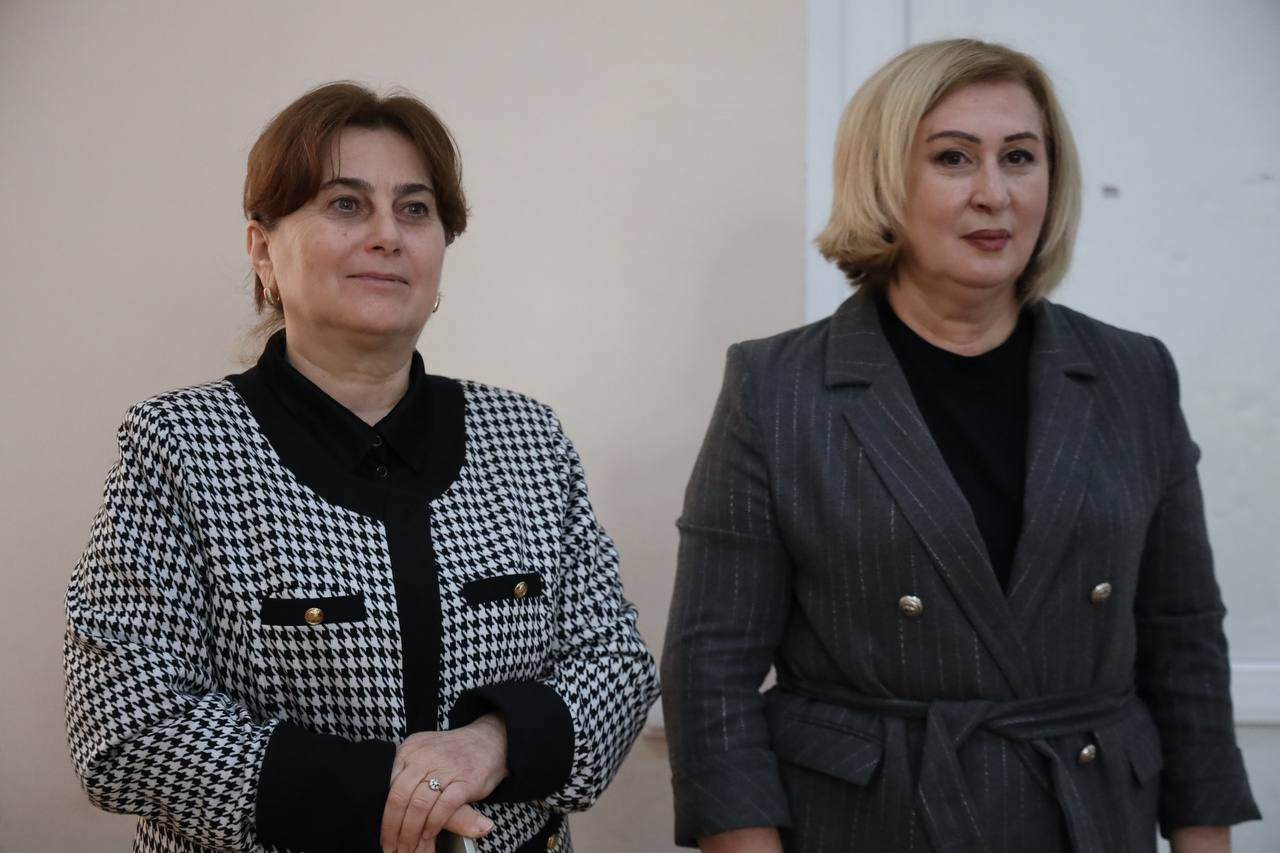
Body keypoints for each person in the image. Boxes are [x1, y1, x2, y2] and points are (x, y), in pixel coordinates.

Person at [662, 39, 1259, 853]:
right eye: (953, 158)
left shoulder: (1134, 374)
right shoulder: (776, 388)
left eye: (1020, 157)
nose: (994, 193)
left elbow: (1184, 638)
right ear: (883, 179)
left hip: (1088, 819)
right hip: (870, 824)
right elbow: (712, 671)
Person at [64, 82, 659, 853]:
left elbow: (616, 661)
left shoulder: (528, 437)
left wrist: (493, 741)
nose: (387, 235)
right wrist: (395, 791)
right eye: (346, 204)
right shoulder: (180, 445)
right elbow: (123, 720)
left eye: (415, 209)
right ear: (262, 249)